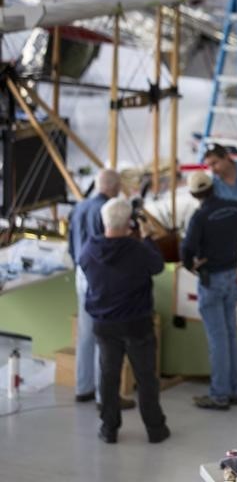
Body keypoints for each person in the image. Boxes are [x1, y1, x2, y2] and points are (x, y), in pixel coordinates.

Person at [79, 197, 170, 444]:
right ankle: (155, 429)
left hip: (103, 323)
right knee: (146, 378)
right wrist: (148, 237)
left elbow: (86, 267)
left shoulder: (89, 248)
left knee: (108, 376)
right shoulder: (138, 250)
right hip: (136, 323)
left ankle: (109, 429)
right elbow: (158, 266)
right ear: (129, 222)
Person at [180, 172, 237, 410]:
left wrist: (190, 266)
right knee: (230, 334)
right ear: (213, 188)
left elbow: (186, 251)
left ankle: (219, 395)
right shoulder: (234, 207)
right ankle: (233, 390)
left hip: (212, 280)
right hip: (233, 276)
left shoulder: (200, 217)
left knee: (217, 339)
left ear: (193, 194)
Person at [67, 169, 135, 410]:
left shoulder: (79, 208)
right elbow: (110, 247)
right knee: (105, 337)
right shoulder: (108, 211)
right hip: (101, 277)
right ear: (114, 186)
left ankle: (82, 388)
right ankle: (104, 397)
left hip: (81, 273)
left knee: (85, 335)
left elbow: (70, 245)